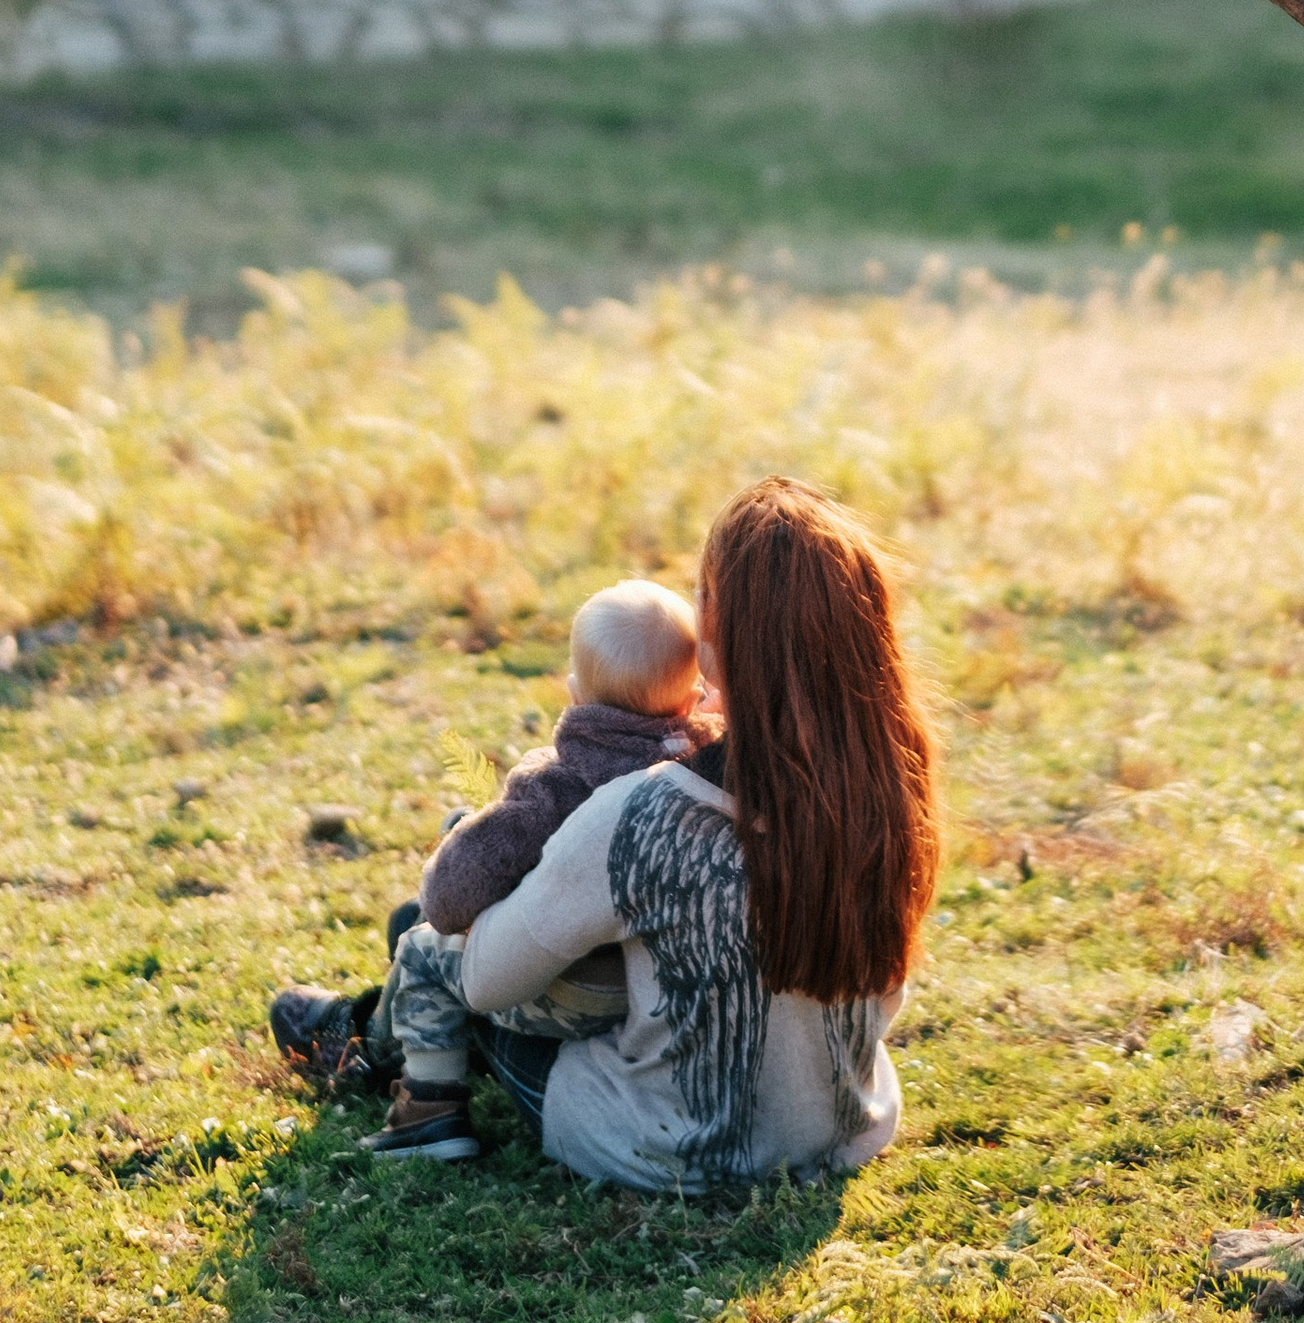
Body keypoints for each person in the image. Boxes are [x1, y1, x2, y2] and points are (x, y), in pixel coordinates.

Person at [274, 477, 940, 1192]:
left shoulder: (645, 814)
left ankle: (365, 1044)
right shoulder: (892, 788)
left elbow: (489, 979)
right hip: (841, 1125)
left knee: (427, 929)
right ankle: (371, 1026)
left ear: (712, 656)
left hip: (673, 1145)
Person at [269, 575, 709, 1162]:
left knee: (423, 941)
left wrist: (459, 843)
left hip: (575, 989)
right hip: (652, 993)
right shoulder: (707, 765)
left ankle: (415, 1100)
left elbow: (449, 899)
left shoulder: (556, 784)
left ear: (576, 693)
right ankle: (371, 1031)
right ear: (690, 697)